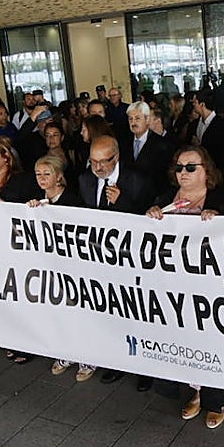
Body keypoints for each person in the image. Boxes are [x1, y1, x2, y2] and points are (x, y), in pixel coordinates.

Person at [147, 145, 224, 427]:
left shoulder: (223, 199)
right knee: (185, 339)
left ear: (206, 170)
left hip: (211, 289)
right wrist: (150, 216)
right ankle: (196, 391)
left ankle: (215, 399)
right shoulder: (165, 199)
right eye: (179, 167)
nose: (183, 173)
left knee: (212, 341)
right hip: (174, 285)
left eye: (190, 167)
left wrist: (221, 220)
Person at [81, 134, 154, 385]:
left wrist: (122, 202)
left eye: (104, 161)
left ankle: (146, 369)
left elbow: (149, 222)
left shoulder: (139, 180)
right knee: (111, 314)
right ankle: (118, 361)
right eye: (94, 161)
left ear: (117, 157)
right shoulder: (85, 180)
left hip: (131, 262)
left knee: (137, 315)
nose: (99, 167)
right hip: (100, 261)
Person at [25, 155, 94, 380]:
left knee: (79, 312)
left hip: (74, 267)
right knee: (59, 312)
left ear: (59, 176)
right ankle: (66, 352)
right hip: (51, 267)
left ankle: (88, 358)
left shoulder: (72, 200)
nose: (42, 178)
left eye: (47, 174)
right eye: (38, 174)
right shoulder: (36, 200)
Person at [121, 102, 174, 195]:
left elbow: (165, 178)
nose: (133, 122)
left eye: (137, 118)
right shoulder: (123, 142)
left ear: (147, 119)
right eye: (130, 119)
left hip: (153, 196)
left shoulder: (162, 144)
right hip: (128, 196)